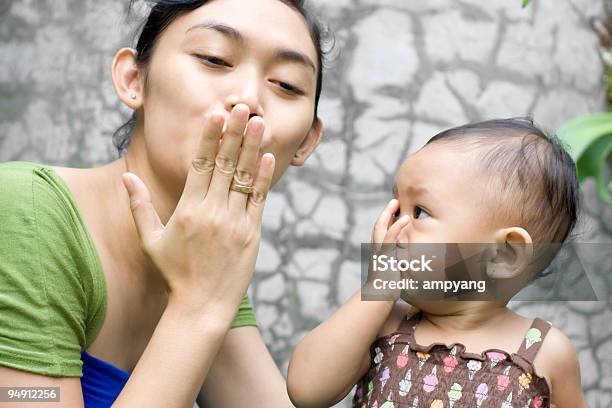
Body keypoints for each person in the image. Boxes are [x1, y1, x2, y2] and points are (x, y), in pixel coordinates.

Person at [0, 0, 325, 406]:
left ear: (308, 141)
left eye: (287, 85)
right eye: (214, 58)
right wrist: (197, 307)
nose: (247, 99)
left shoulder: (206, 258)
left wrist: (399, 277)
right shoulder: (25, 212)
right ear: (134, 79)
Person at [287, 118, 589, 408]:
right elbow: (307, 390)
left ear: (504, 254)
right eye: (395, 209)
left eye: (419, 212)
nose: (393, 226)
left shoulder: (544, 353)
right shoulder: (387, 323)